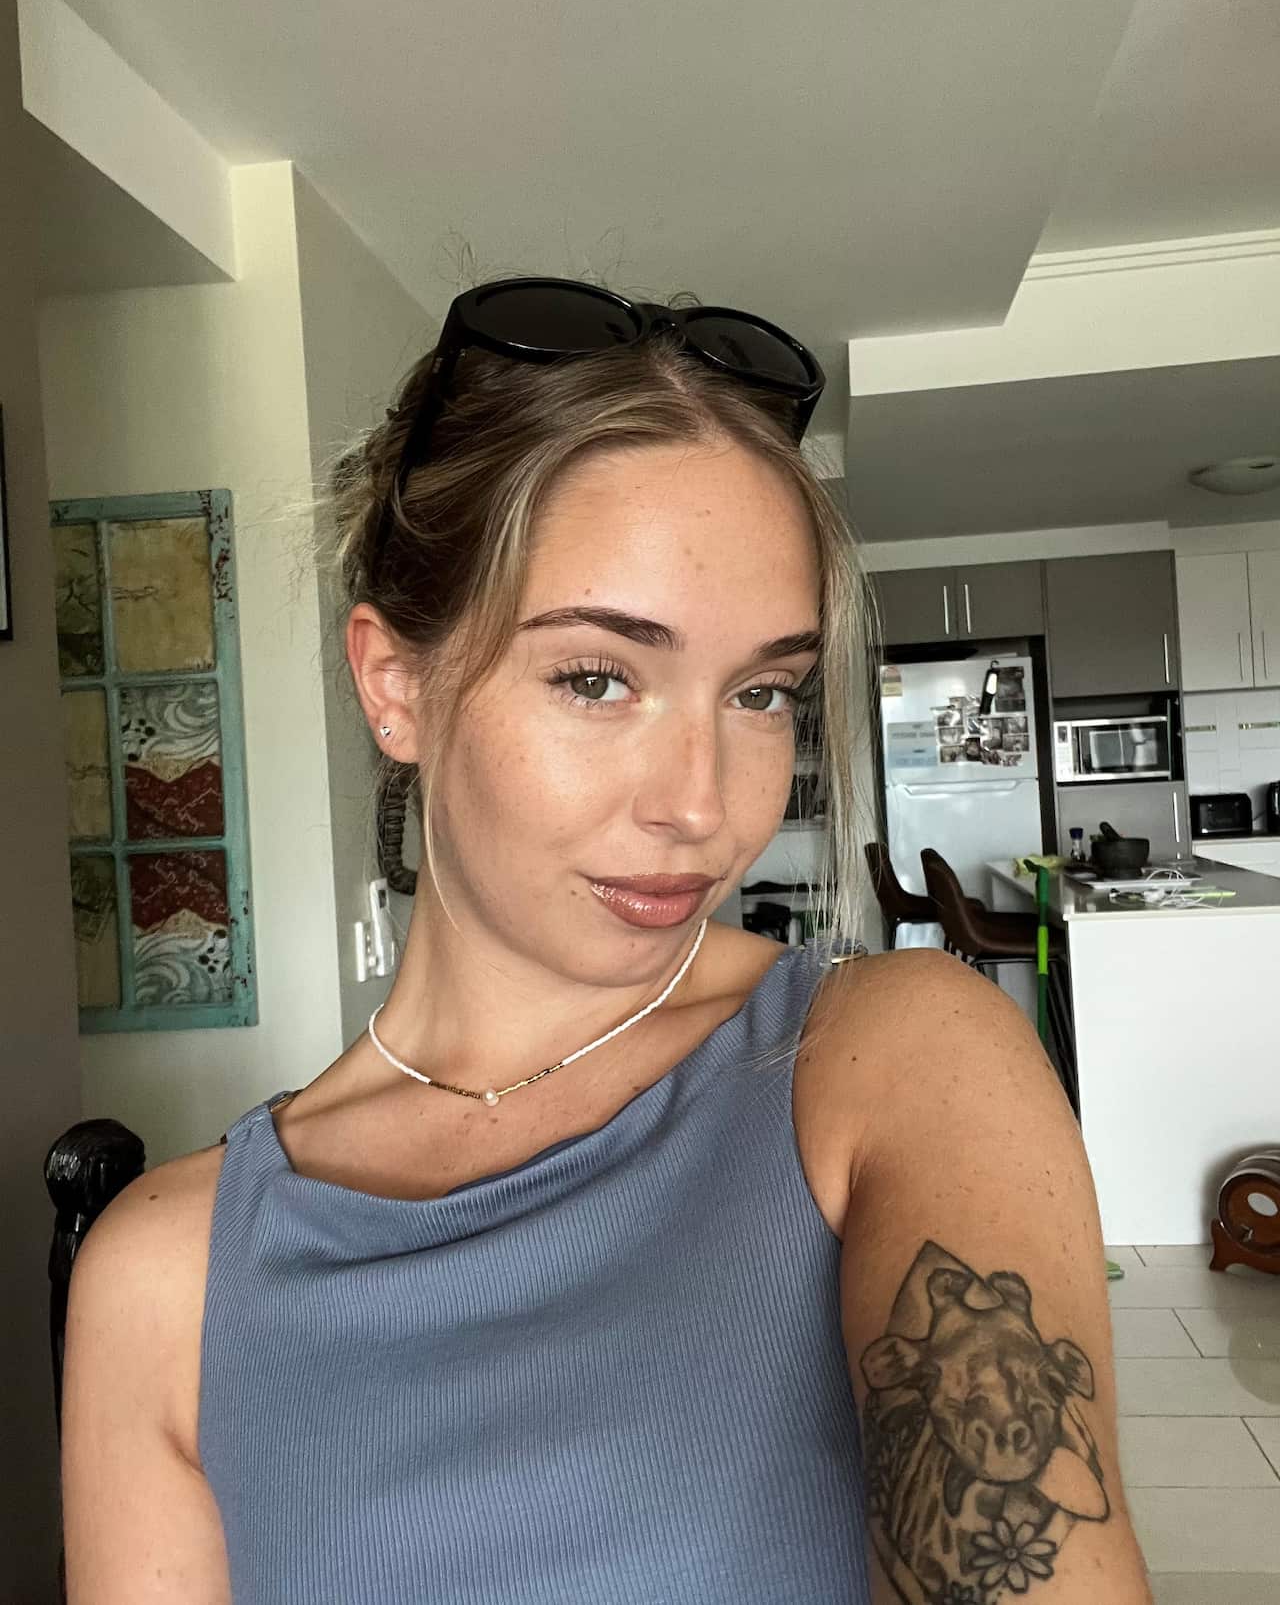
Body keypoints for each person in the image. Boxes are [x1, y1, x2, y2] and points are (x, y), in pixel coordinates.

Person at [61, 279, 1153, 1604]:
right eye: (598, 676)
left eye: (762, 692)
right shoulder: (166, 1277)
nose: (704, 803)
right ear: (395, 684)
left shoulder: (897, 1061)